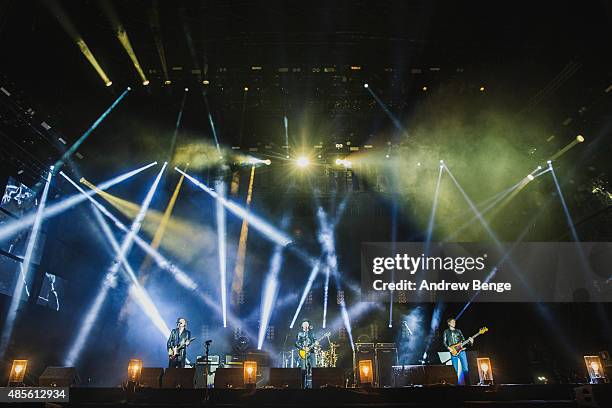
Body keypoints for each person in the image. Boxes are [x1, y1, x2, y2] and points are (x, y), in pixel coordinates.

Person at [443, 318, 472, 385]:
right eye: (453, 322)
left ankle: (468, 385)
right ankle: (455, 385)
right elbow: (444, 342)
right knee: (454, 370)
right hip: (453, 351)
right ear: (449, 323)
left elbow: (464, 340)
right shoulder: (446, 331)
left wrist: (470, 342)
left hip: (461, 351)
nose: (454, 323)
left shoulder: (458, 331)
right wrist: (449, 348)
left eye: (455, 322)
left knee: (465, 368)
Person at [295, 319, 318, 387]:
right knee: (303, 369)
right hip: (303, 352)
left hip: (311, 352)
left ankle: (314, 386)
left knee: (314, 368)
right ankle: (302, 385)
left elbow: (315, 340)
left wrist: (316, 343)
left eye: (307, 324)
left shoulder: (312, 333)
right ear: (302, 326)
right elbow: (296, 343)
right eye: (304, 324)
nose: (306, 325)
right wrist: (303, 348)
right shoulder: (300, 334)